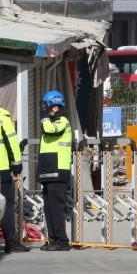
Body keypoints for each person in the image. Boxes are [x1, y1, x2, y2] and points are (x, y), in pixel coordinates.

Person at [38, 90, 72, 251]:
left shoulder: (62, 121)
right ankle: (54, 238)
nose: (52, 109)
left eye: (49, 107)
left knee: (56, 207)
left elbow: (49, 129)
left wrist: (44, 115)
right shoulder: (50, 121)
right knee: (48, 207)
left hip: (59, 170)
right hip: (48, 170)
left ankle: (62, 241)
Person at [0, 106, 31, 253]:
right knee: (6, 206)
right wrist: (17, 166)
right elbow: (12, 142)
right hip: (1, 170)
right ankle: (11, 243)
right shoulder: (2, 116)